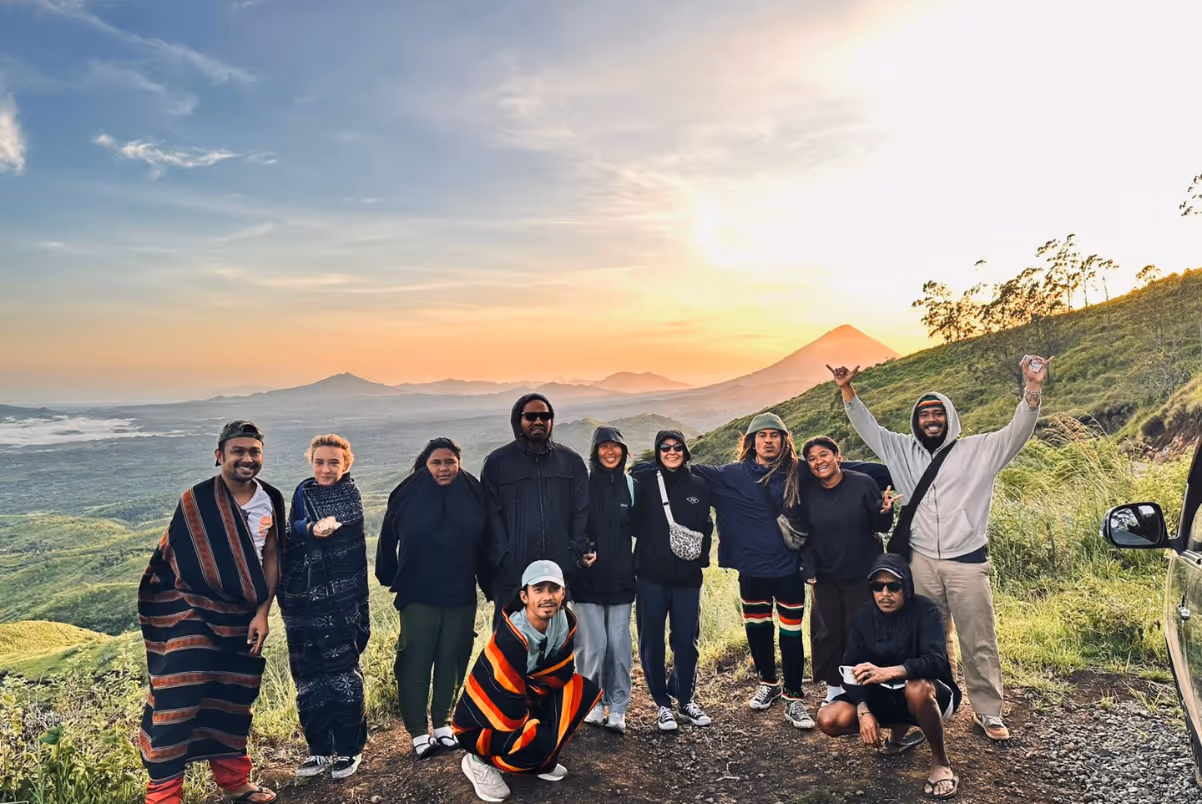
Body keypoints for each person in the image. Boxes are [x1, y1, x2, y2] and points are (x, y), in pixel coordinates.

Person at [829, 354, 1050, 741]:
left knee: (978, 638)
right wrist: (848, 391)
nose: (931, 420)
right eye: (924, 414)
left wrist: (1032, 389)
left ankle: (988, 712)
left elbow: (1017, 431)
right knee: (925, 640)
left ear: (950, 418)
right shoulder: (900, 449)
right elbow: (869, 428)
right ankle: (935, 706)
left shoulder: (979, 450)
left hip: (967, 562)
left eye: (937, 413)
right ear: (916, 421)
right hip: (921, 562)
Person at [137, 420, 282, 804]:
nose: (247, 459)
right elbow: (175, 559)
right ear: (220, 456)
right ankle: (163, 797)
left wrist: (263, 612)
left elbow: (271, 557)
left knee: (232, 699)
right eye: (238, 452)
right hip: (193, 616)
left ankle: (235, 783)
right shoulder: (197, 500)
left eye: (254, 452)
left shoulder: (271, 499)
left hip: (242, 619)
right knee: (176, 702)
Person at [376, 437, 489, 759]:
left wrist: (490, 581)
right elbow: (387, 538)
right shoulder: (407, 495)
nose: (443, 468)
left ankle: (443, 723)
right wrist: (388, 574)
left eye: (450, 462)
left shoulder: (473, 492)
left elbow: (488, 539)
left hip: (460, 592)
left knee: (453, 658)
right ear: (425, 465)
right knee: (415, 660)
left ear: (459, 463)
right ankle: (417, 730)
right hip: (418, 593)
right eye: (436, 462)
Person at [816, 554, 962, 800]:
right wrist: (863, 709)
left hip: (928, 693)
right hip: (881, 695)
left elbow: (937, 661)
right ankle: (898, 736)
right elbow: (850, 668)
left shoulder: (926, 610)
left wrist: (892, 671)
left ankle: (940, 762)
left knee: (916, 688)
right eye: (878, 586)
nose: (885, 593)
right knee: (828, 718)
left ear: (907, 586)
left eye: (893, 586)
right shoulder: (862, 616)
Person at [453, 560, 601, 803]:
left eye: (554, 589)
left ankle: (538, 761)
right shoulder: (512, 636)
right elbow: (505, 699)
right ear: (524, 596)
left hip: (528, 694)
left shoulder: (562, 620)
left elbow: (560, 670)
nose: (547, 597)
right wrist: (536, 729)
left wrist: (539, 716)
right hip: (486, 716)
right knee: (538, 741)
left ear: (563, 593)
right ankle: (479, 760)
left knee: (579, 691)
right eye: (538, 589)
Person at [281, 434, 370, 780]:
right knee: (308, 677)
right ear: (311, 462)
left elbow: (339, 526)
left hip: (339, 602)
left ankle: (349, 749)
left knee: (342, 675)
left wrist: (317, 528)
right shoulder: (303, 491)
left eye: (334, 462)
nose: (326, 469)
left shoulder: (349, 495)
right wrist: (305, 528)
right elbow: (291, 531)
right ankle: (318, 749)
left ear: (346, 464)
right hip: (301, 602)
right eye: (319, 462)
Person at [798, 436, 901, 704]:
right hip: (824, 575)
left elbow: (879, 526)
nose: (819, 462)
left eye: (824, 455)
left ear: (837, 456)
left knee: (862, 630)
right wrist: (808, 567)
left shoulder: (862, 483)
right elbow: (804, 534)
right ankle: (834, 690)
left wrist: (885, 511)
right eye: (812, 459)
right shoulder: (807, 493)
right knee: (828, 632)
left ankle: (864, 689)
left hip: (863, 572)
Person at [480, 394, 590, 629]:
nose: (538, 421)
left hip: (557, 574)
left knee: (555, 644)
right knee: (511, 644)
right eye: (531, 416)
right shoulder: (497, 463)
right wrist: (504, 557)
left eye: (545, 416)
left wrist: (573, 553)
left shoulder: (570, 461)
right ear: (518, 420)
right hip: (512, 579)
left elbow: (581, 512)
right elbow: (490, 517)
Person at [630, 429, 714, 732]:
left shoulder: (699, 485)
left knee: (687, 642)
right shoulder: (646, 481)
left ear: (685, 451)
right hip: (650, 577)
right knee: (651, 641)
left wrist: (701, 560)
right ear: (657, 453)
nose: (671, 452)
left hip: (687, 580)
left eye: (677, 447)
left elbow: (706, 524)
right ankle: (662, 704)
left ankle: (684, 698)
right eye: (664, 448)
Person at [574, 426, 637, 734]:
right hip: (587, 579)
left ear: (623, 451)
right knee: (593, 647)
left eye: (616, 447)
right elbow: (572, 526)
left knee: (619, 647)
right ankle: (593, 703)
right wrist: (578, 555)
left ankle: (619, 707)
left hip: (622, 578)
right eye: (604, 447)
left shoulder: (631, 486)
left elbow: (642, 528)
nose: (610, 452)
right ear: (595, 451)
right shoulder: (582, 484)